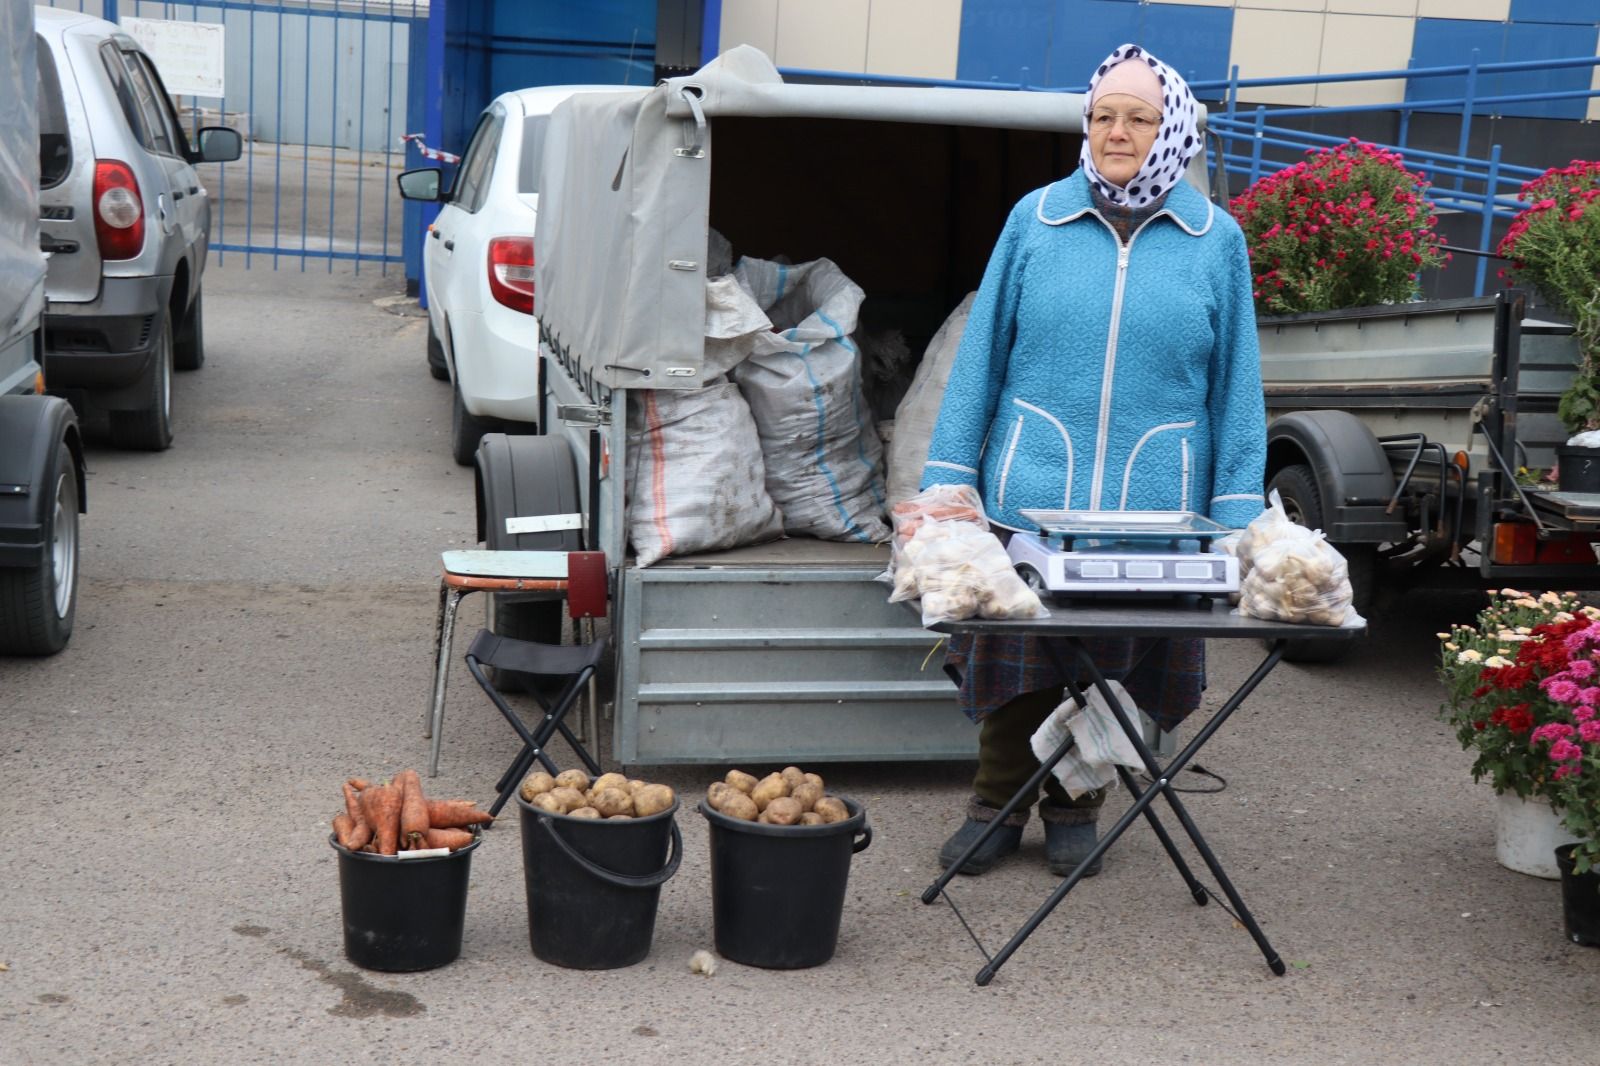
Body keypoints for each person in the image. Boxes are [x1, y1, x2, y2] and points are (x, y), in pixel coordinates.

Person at [921, 44, 1266, 876]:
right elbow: (981, 360)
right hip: (1030, 486)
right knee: (1020, 657)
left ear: (1172, 131)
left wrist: (1237, 506)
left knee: (1110, 668)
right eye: (1105, 115)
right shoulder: (1035, 218)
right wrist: (947, 476)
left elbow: (1237, 384)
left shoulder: (1214, 240)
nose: (1119, 131)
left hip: (1156, 501)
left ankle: (1078, 804)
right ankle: (997, 801)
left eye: (1139, 118)